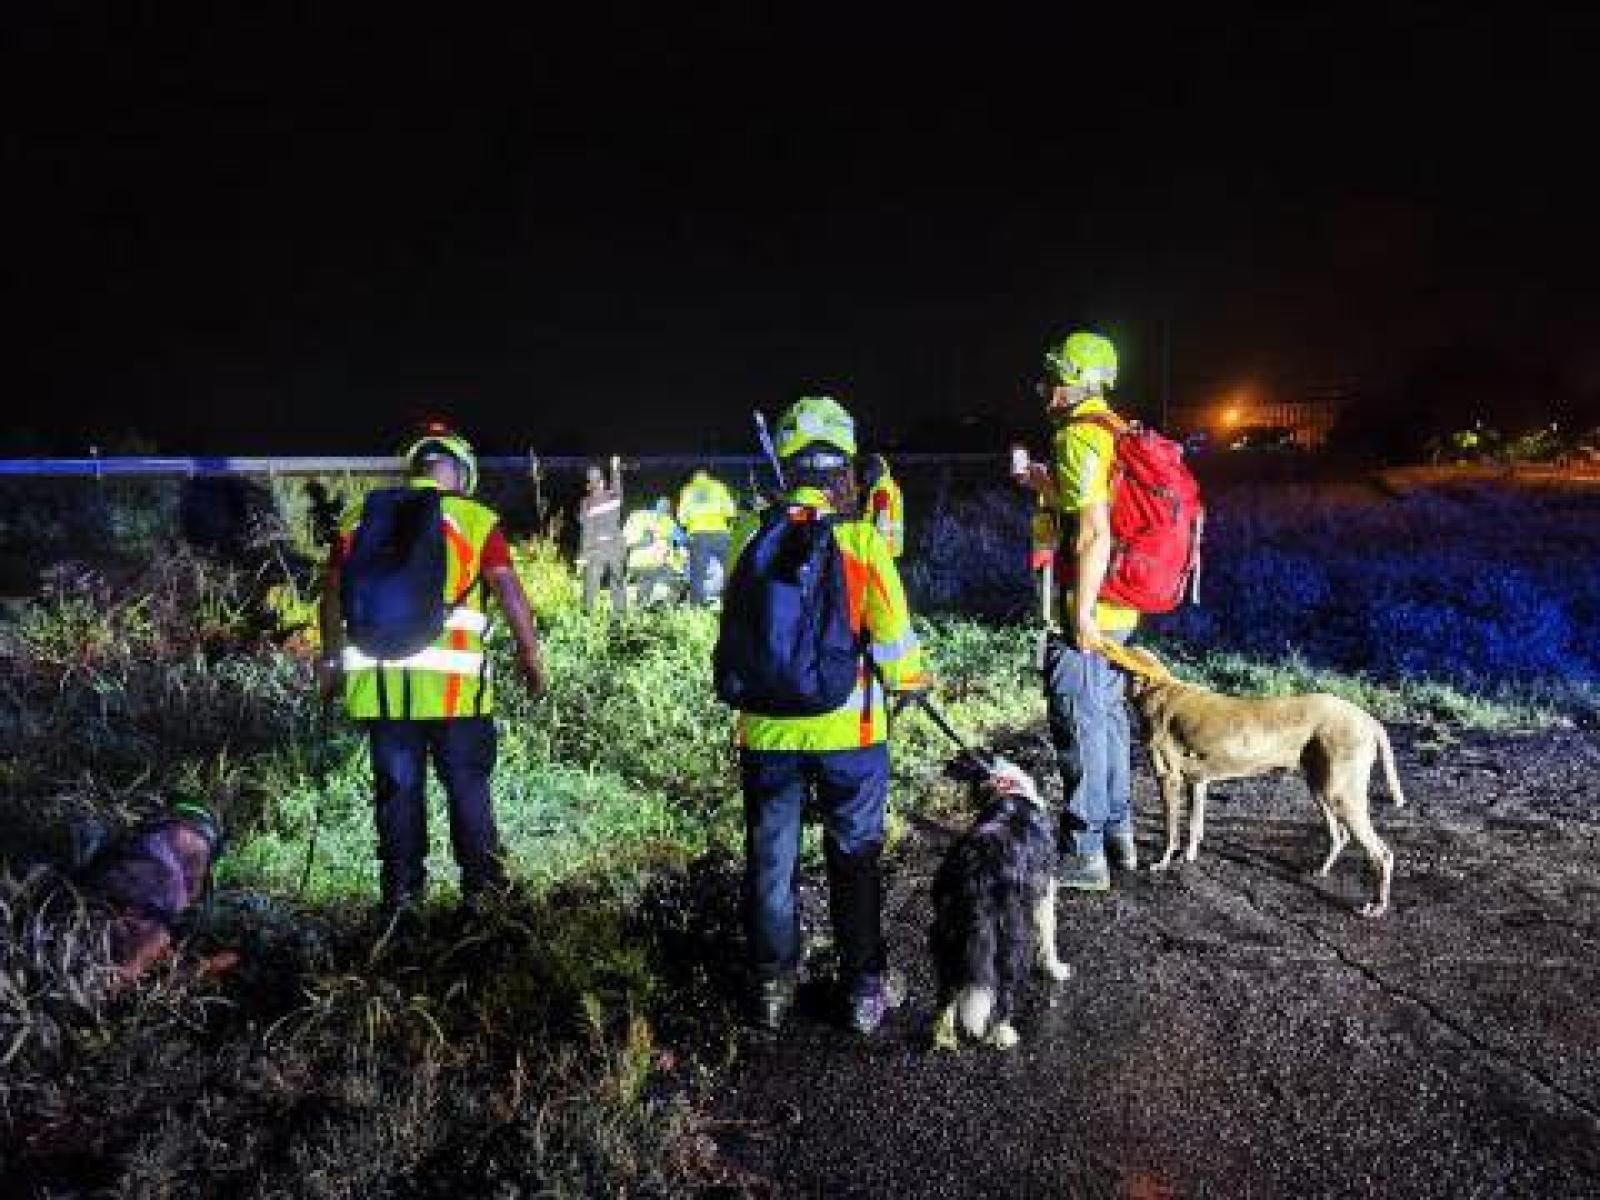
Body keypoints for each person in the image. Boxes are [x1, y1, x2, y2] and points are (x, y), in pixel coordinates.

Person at [720, 395, 929, 1034]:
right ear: (844, 468)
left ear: (785, 466)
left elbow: (738, 625)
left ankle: (773, 988)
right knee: (854, 858)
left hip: (766, 733)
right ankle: (863, 992)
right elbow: (895, 644)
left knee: (771, 861)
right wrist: (910, 682)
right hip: (852, 733)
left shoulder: (747, 537)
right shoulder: (861, 541)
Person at [317, 426, 545, 919]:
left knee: (397, 792)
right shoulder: (474, 519)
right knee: (467, 787)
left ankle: (402, 903)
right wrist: (529, 654)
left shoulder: (359, 518)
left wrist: (330, 663)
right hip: (455, 692)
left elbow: (332, 593)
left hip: (382, 690)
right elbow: (506, 587)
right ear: (461, 471)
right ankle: (483, 897)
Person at [1023, 331, 1139, 891]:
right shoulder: (1114, 429)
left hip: (1089, 611)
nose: (1044, 387)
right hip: (1120, 605)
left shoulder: (1078, 437)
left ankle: (1084, 853)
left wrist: (1082, 616)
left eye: (1053, 376)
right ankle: (1119, 832)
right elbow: (1091, 507)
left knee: (1080, 722)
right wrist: (1042, 485)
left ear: (1075, 382)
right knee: (1108, 718)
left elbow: (1093, 532)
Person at [76, 802, 233, 985]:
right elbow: (190, 894)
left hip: (120, 874)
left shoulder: (169, 820)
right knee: (158, 935)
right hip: (154, 886)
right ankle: (120, 981)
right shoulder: (202, 847)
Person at [676, 468, 738, 605]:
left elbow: (682, 518)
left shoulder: (688, 490)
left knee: (698, 572)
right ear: (708, 476)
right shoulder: (719, 486)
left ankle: (696, 607)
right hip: (720, 533)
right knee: (727, 570)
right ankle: (730, 603)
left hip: (698, 534)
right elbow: (731, 511)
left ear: (693, 478)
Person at [577, 456, 626, 613]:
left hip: (599, 549)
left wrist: (584, 555)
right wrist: (615, 469)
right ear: (601, 482)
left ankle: (589, 616)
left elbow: (586, 531)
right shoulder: (612, 497)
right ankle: (619, 616)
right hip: (611, 548)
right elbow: (618, 487)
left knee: (592, 586)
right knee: (614, 584)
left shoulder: (587, 503)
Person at [624, 497, 683, 606]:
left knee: (642, 584)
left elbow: (626, 540)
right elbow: (683, 541)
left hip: (635, 563)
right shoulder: (667, 521)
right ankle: (659, 598)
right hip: (657, 563)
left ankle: (632, 596)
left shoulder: (635, 516)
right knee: (672, 585)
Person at [859, 453, 905, 558]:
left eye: (868, 470)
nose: (865, 474)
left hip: (880, 548)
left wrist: (873, 546)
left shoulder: (881, 490)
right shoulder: (889, 486)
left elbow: (881, 520)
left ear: (876, 470)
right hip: (891, 546)